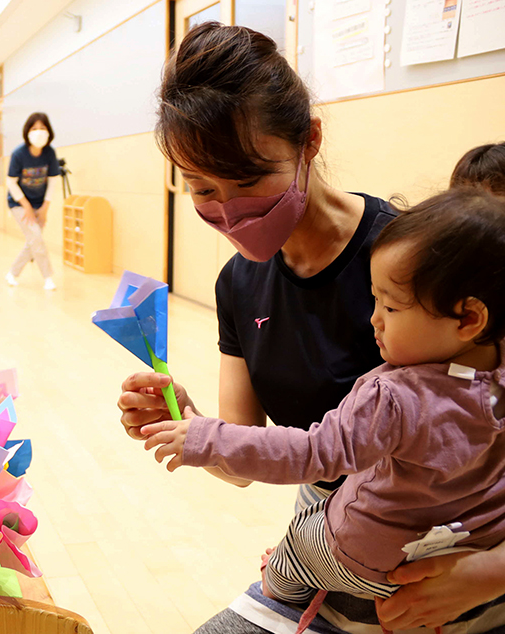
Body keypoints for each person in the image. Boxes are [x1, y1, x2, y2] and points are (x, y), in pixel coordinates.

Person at [117, 22, 505, 633]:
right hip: (334, 546)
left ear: (309, 142)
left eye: (248, 180)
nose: (228, 209)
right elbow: (243, 459)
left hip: (450, 563)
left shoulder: (414, 265)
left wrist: (488, 574)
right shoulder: (239, 285)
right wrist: (187, 422)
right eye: (202, 189)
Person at [141, 189, 505, 621]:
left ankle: (279, 584)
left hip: (370, 553)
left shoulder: (390, 397)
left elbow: (311, 453)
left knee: (300, 537)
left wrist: (206, 437)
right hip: (465, 542)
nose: (375, 319)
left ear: (468, 318)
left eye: (390, 305)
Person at [5, 112, 61, 291]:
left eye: (42, 128)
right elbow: (11, 182)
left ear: (49, 132)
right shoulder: (18, 154)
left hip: (40, 204)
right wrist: (27, 207)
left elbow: (52, 181)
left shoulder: (49, 153)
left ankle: (12, 273)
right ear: (27, 132)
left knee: (33, 240)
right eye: (34, 128)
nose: (38, 132)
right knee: (36, 238)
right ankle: (48, 277)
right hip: (19, 203)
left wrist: (45, 207)